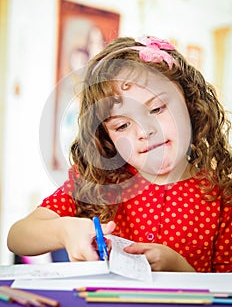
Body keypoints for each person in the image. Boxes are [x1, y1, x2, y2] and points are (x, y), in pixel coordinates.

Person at [7, 35, 232, 272]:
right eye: (123, 125)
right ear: (107, 137)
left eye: (156, 108)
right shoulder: (98, 183)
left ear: (189, 102)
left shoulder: (223, 197)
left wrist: (180, 269)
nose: (145, 131)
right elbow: (17, 237)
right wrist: (62, 231)